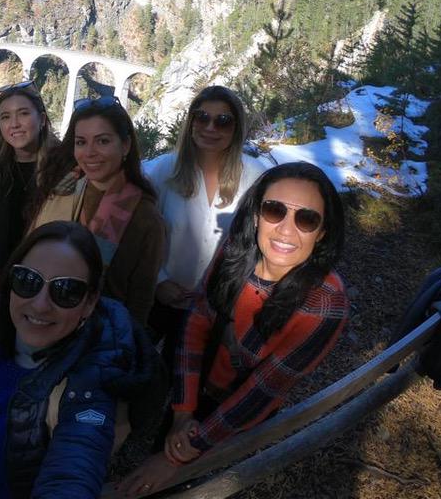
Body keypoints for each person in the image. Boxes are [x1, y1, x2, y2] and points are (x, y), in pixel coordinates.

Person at [117, 162, 349, 498]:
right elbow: (196, 324)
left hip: (243, 414)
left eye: (306, 219)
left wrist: (184, 452)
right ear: (256, 215)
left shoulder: (325, 304)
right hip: (198, 387)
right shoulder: (235, 253)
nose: (286, 229)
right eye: (274, 210)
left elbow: (262, 389)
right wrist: (183, 414)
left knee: (202, 483)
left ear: (323, 232)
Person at [0, 221, 164, 499]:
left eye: (66, 290)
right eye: (27, 280)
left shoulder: (90, 379)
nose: (40, 304)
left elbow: (74, 466)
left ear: (90, 303)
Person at [145, 86, 267, 362]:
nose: (210, 127)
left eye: (223, 121)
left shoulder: (255, 177)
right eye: (202, 118)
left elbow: (263, 244)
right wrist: (159, 281)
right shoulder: (165, 170)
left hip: (219, 309)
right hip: (163, 300)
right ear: (190, 123)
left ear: (237, 128)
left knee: (192, 387)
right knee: (143, 373)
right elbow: (139, 234)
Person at [31, 96, 165, 325]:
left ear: (125, 146)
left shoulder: (145, 218)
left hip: (100, 335)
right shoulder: (63, 189)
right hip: (38, 317)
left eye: (102, 141)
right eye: (81, 142)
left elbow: (141, 299)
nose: (89, 153)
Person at [0, 80, 57, 295]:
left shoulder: (61, 164)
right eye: (5, 117)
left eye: (23, 113)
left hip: (45, 277)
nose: (14, 123)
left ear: (42, 119)